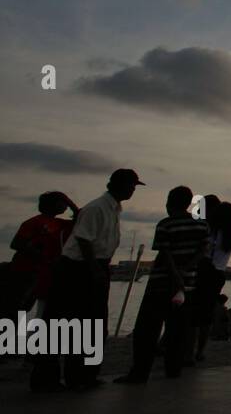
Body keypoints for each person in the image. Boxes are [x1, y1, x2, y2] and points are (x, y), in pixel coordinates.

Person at [31, 168, 143, 392]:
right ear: (118, 185)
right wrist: (95, 270)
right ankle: (48, 378)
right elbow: (83, 240)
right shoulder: (97, 208)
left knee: (90, 325)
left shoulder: (111, 209)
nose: (132, 190)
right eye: (131, 186)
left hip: (93, 265)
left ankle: (81, 375)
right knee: (63, 324)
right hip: (78, 267)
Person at [115, 185, 210, 383]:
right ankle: (173, 369)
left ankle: (140, 372)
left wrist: (175, 273)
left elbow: (165, 253)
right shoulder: (202, 226)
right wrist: (185, 272)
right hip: (187, 285)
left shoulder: (165, 224)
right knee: (178, 329)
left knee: (147, 329)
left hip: (160, 284)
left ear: (169, 203)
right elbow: (203, 251)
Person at [7, 192, 78, 320]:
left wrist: (69, 202)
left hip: (42, 273)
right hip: (25, 271)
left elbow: (79, 217)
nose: (65, 206)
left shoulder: (59, 223)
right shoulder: (34, 222)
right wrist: (43, 256)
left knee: (28, 306)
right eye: (62, 203)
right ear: (53, 205)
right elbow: (16, 243)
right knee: (18, 307)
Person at [194, 198, 231, 362]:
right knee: (206, 315)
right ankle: (200, 350)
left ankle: (190, 348)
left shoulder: (212, 232)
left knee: (195, 313)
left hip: (206, 271)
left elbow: (203, 251)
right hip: (219, 275)